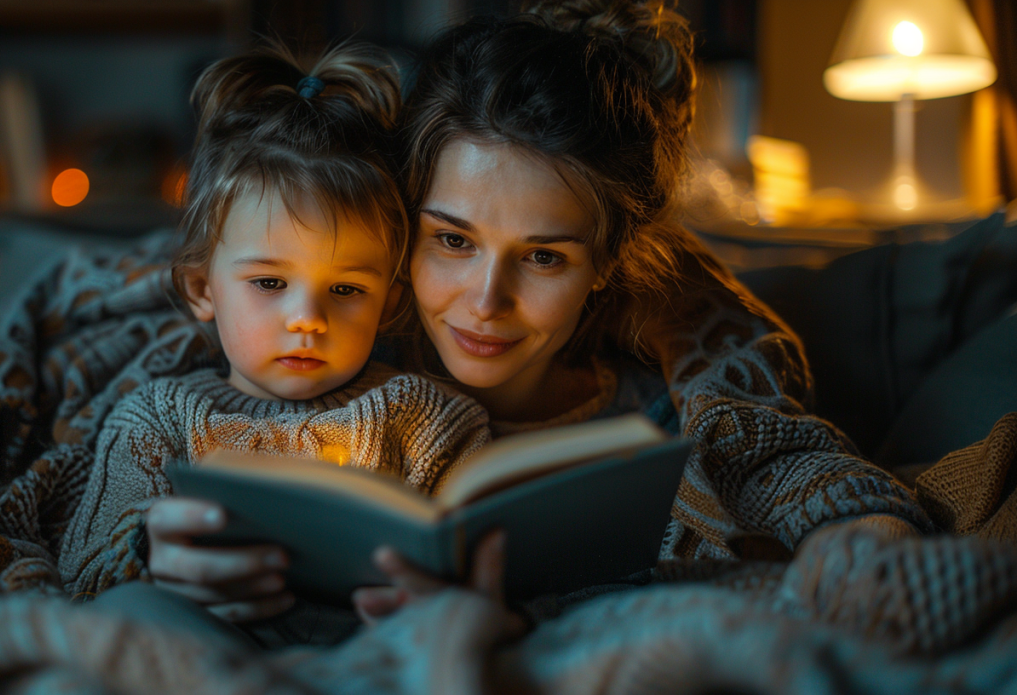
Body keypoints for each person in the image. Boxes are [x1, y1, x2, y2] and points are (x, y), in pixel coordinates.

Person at [143, 0, 931, 631]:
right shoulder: (321, 346)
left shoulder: (666, 405)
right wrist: (159, 552)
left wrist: (864, 547)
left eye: (545, 257)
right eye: (452, 239)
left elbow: (796, 467)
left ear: (605, 266)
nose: (487, 300)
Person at [57, 40, 493, 644]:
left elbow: (488, 569)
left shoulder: (428, 421)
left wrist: (442, 592)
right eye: (269, 282)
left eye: (345, 290)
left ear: (389, 304)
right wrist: (146, 551)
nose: (307, 319)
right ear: (202, 288)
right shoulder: (159, 418)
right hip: (199, 651)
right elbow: (81, 575)